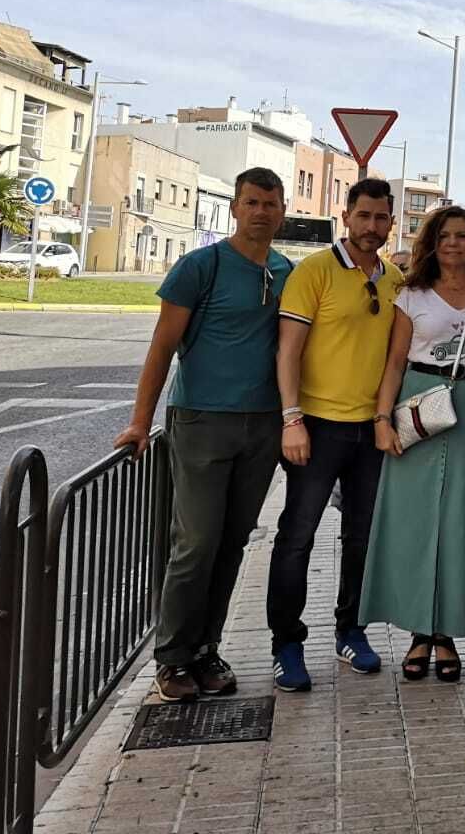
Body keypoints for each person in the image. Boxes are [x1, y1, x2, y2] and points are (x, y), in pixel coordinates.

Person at [117, 167, 292, 702]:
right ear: (236, 208)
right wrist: (140, 422)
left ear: (282, 210)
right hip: (200, 421)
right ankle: (172, 658)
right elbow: (162, 347)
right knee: (194, 543)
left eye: (271, 203)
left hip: (262, 426)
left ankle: (206, 650)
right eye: (252, 202)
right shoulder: (202, 266)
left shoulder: (288, 271)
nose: (262, 211)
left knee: (232, 542)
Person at [360, 207, 465, 682]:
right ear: (433, 242)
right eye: (445, 236)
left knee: (459, 521)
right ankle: (418, 631)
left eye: (463, 236)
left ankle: (446, 631)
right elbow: (393, 364)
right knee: (412, 522)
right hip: (418, 406)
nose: (454, 243)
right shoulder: (412, 295)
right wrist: (382, 419)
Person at [268, 178, 404, 692]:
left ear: (391, 223)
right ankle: (287, 643)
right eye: (363, 216)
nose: (372, 227)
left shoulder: (393, 278)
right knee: (297, 536)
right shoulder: (314, 272)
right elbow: (288, 351)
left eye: (381, 218)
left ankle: (351, 631)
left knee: (362, 539)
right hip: (316, 427)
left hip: (371, 430)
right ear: (346, 216)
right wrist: (291, 418)